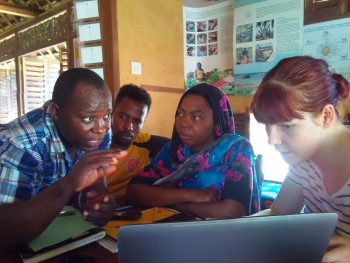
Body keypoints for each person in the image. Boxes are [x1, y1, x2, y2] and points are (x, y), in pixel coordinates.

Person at [0, 68, 126, 246]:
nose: (100, 128)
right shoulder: (23, 146)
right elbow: (4, 231)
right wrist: (69, 183)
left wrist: (96, 201)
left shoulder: (100, 133)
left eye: (106, 116)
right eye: (88, 118)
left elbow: (95, 184)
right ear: (56, 112)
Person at [250, 56, 350, 263]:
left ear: (325, 116)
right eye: (268, 126)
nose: (272, 140)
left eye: (286, 126)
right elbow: (279, 213)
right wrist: (228, 230)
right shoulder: (304, 159)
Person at [126, 83, 260, 219]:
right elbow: (134, 192)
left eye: (195, 117)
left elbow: (232, 212)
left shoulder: (236, 149)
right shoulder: (174, 150)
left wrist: (176, 204)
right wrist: (190, 195)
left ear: (216, 123)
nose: (183, 123)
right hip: (174, 231)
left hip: (221, 237)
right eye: (180, 113)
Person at [107, 84, 169, 207]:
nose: (128, 127)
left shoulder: (147, 145)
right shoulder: (91, 143)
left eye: (137, 121)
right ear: (112, 112)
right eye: (123, 116)